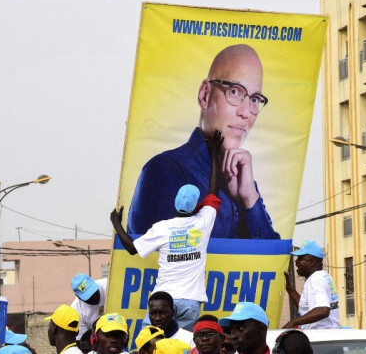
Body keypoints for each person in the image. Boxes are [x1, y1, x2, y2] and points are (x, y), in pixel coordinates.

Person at [127, 44, 280, 240]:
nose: (245, 112)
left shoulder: (246, 185)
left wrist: (250, 199)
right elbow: (156, 262)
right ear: (205, 95)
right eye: (234, 91)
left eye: (255, 99)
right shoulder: (165, 171)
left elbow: (272, 264)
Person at [111, 131, 223, 331]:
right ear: (197, 203)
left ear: (175, 203)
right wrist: (215, 155)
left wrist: (116, 223)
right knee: (182, 348)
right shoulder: (204, 221)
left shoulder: (162, 228)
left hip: (163, 302)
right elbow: (213, 191)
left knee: (152, 345)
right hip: (191, 302)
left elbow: (131, 248)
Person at [283, 240, 340, 329]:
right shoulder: (324, 276)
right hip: (328, 336)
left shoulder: (315, 279)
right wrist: (290, 289)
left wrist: (293, 322)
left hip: (320, 338)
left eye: (300, 258)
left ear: (311, 262)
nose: (296, 261)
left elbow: (323, 310)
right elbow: (307, 308)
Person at [70, 273, 108, 341]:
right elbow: (81, 340)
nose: (95, 297)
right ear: (79, 297)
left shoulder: (108, 286)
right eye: (89, 296)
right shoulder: (76, 312)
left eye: (94, 291)